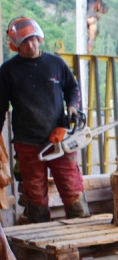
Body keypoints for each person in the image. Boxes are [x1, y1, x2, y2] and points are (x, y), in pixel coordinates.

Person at [0, 17, 90, 222]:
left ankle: (82, 231)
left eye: (32, 39)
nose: (31, 45)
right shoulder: (8, 71)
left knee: (72, 188)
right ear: (15, 45)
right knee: (35, 196)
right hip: (28, 142)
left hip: (59, 138)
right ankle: (40, 236)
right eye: (24, 42)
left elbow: (72, 88)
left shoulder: (55, 63)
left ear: (39, 38)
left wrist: (73, 107)